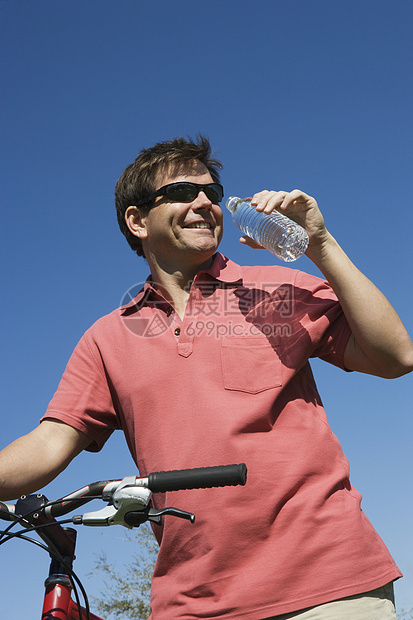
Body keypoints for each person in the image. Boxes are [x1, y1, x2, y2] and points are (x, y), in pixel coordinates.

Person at [1, 136, 412, 620]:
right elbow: (49, 444)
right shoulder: (105, 339)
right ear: (137, 221)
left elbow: (395, 356)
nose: (204, 203)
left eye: (212, 194)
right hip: (192, 603)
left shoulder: (278, 289)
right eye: (181, 192)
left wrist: (320, 244)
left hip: (327, 586)